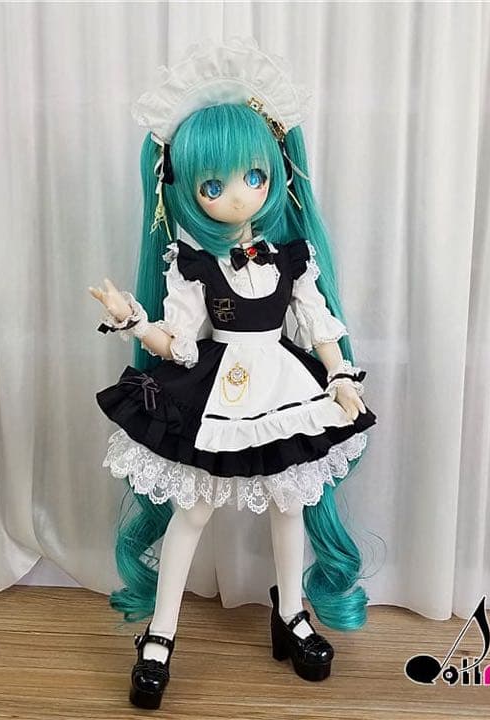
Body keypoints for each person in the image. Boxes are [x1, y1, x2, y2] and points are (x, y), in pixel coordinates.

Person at [88, 37, 378, 710]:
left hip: (284, 384)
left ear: (276, 173)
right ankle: (160, 634)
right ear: (186, 191)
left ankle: (292, 611)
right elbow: (180, 344)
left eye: (253, 177)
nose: (238, 197)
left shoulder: (293, 257)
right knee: (193, 508)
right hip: (218, 388)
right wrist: (133, 321)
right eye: (212, 186)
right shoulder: (192, 263)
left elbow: (319, 324)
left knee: (290, 502)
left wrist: (339, 376)